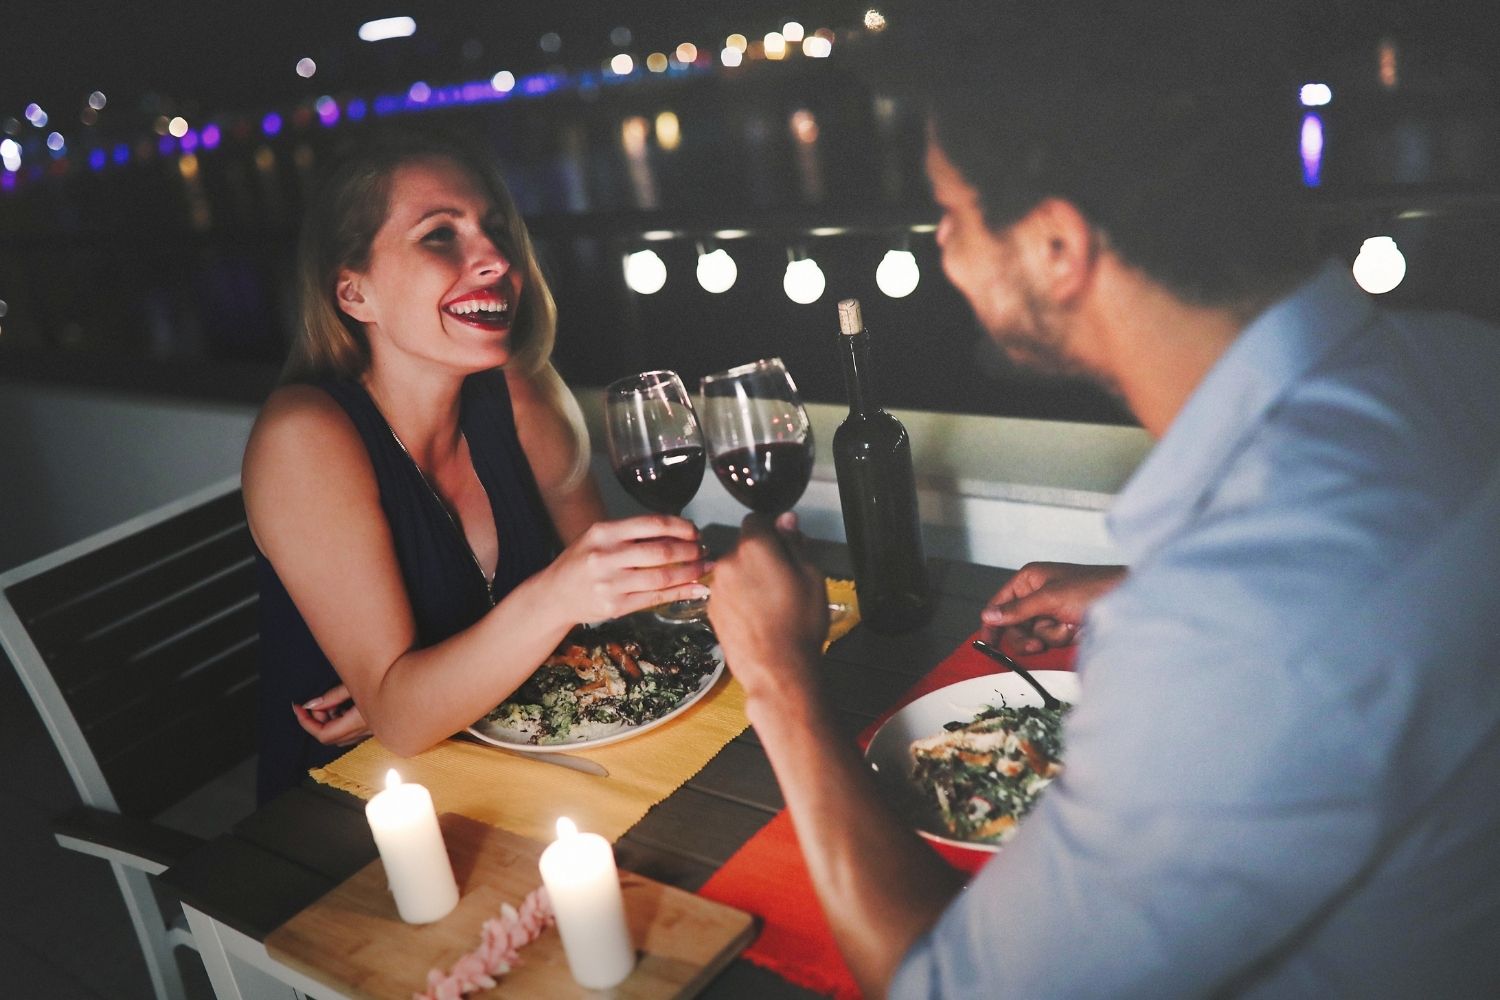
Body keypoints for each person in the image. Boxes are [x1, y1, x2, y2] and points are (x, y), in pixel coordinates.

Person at [706, 3, 1500, 997]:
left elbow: (945, 985)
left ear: (1054, 248)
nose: (944, 249)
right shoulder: (1461, 359)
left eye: (951, 212)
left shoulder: (1233, 628)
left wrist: (778, 675)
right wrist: (1150, 586)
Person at [245, 127, 709, 803]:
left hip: (521, 764)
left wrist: (431, 687)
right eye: (440, 235)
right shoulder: (306, 438)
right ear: (354, 295)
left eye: (494, 230)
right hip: (352, 815)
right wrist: (406, 695)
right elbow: (403, 722)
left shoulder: (520, 395)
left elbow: (607, 613)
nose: (496, 258)